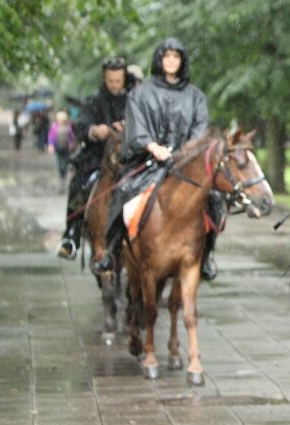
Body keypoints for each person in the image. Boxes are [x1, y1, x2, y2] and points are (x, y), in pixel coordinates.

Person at [94, 38, 216, 280]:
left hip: (184, 163)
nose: (171, 61)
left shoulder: (196, 96)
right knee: (123, 191)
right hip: (148, 160)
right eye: (166, 56)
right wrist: (152, 146)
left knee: (213, 199)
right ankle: (112, 250)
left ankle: (206, 255)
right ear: (159, 59)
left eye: (175, 56)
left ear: (182, 61)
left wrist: (185, 152)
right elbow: (136, 127)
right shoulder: (140, 94)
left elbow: (200, 129)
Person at [57, 57, 128, 259]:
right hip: (97, 157)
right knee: (79, 185)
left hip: (128, 157)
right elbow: (81, 126)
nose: (114, 84)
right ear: (105, 78)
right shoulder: (93, 101)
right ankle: (72, 233)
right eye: (111, 80)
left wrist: (127, 127)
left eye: (118, 80)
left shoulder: (134, 101)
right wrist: (95, 131)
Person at [47, 111, 75, 192]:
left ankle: (64, 173)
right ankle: (61, 174)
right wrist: (51, 145)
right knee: (60, 162)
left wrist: (72, 144)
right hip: (58, 148)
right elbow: (51, 137)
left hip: (66, 148)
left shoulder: (68, 127)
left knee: (65, 162)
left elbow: (71, 137)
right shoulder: (54, 127)